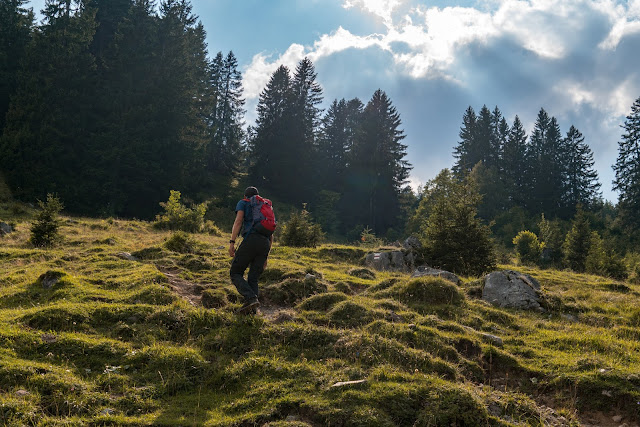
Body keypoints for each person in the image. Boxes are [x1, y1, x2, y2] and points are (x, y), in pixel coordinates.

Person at [229, 186, 274, 314]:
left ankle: (250, 298)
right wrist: (266, 257)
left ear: (245, 196)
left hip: (251, 239)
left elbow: (238, 221)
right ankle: (253, 312)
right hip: (265, 243)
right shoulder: (265, 207)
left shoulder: (243, 203)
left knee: (235, 272)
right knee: (253, 278)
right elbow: (271, 234)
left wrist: (232, 242)